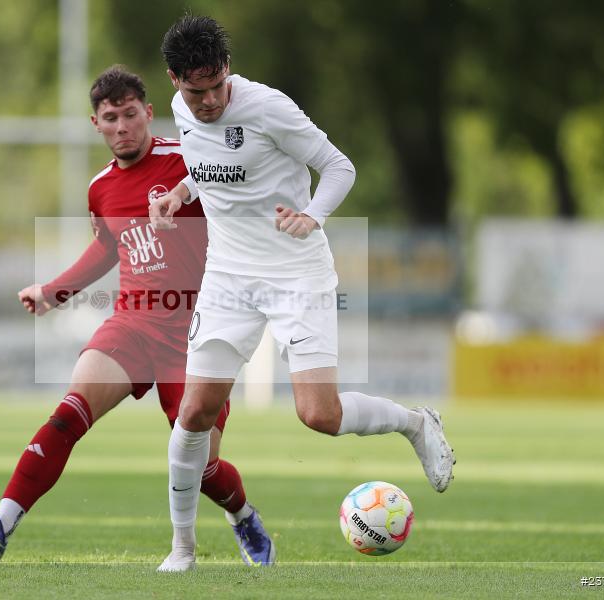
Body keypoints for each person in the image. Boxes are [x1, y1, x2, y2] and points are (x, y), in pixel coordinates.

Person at [150, 16, 456, 572]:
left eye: (217, 86)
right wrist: (178, 193)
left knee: (319, 414)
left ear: (227, 70)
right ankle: (182, 550)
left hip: (296, 273)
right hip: (228, 276)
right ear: (174, 81)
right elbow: (208, 166)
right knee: (193, 413)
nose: (210, 100)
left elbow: (339, 166)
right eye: (197, 92)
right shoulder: (181, 109)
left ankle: (415, 423)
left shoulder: (269, 108)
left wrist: (313, 215)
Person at [0, 66, 273, 567]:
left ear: (148, 112)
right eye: (110, 118)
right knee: (68, 414)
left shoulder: (188, 161)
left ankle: (242, 515)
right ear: (96, 124)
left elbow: (243, 203)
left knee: (203, 466)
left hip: (198, 332)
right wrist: (54, 292)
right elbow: (106, 249)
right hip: (133, 325)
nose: (122, 126)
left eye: (130, 114)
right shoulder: (100, 188)